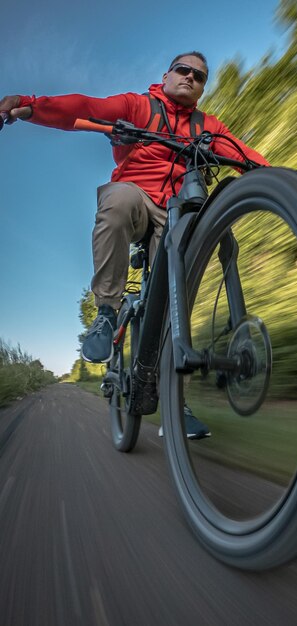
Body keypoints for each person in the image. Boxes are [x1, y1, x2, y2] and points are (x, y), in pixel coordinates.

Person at [0, 51, 270, 438]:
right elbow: (86, 107)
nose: (191, 78)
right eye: (184, 70)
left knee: (175, 307)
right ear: (167, 74)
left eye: (200, 76)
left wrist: (286, 184)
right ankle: (108, 311)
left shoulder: (206, 126)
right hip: (138, 199)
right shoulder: (138, 105)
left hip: (177, 211)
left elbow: (245, 156)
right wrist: (28, 106)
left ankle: (176, 404)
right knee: (118, 199)